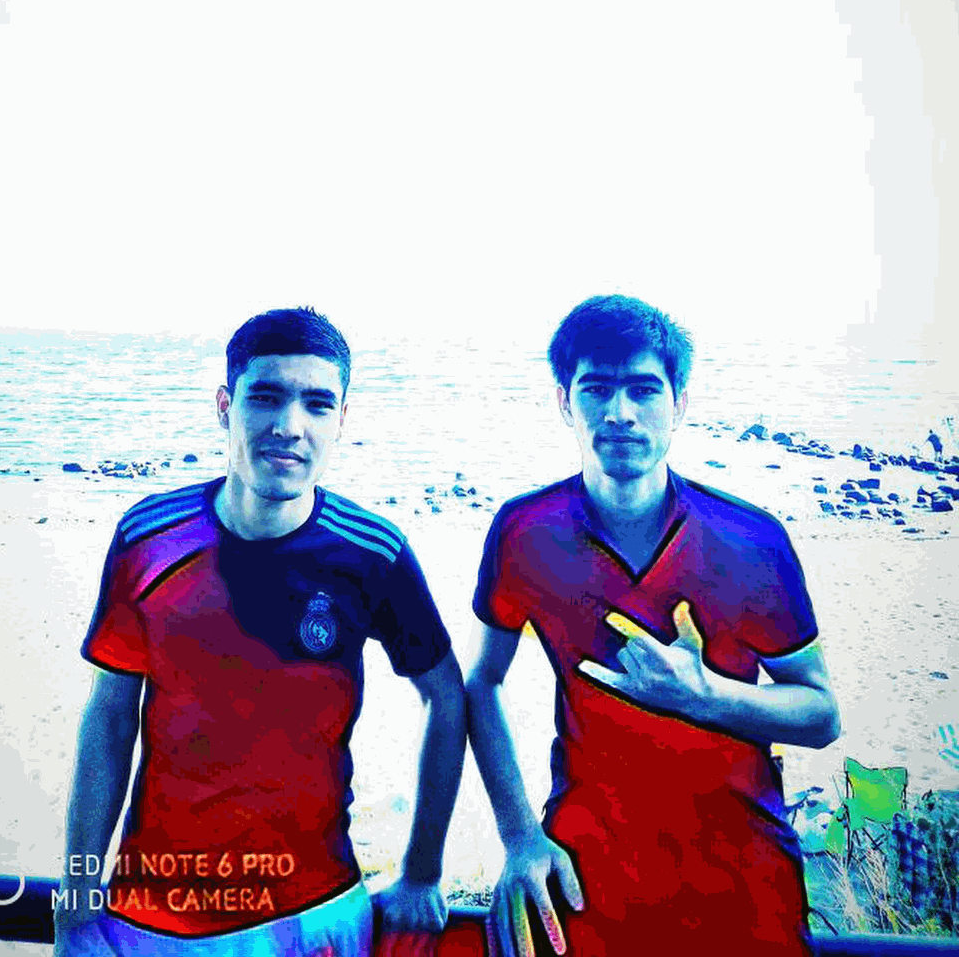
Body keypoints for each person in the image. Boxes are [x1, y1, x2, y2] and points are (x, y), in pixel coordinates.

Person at [54, 307, 466, 957]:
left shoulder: (373, 553)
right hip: (150, 919)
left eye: (317, 404)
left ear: (342, 420)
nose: (289, 426)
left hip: (314, 917)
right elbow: (109, 718)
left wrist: (423, 869)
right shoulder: (148, 539)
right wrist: (76, 893)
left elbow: (447, 697)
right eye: (266, 397)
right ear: (226, 406)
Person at [466, 295, 841, 957]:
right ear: (565, 403)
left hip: (743, 870)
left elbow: (820, 713)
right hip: (588, 870)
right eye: (596, 389)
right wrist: (520, 836)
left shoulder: (751, 541)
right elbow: (482, 682)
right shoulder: (526, 532)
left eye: (643, 389)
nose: (620, 412)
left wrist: (705, 696)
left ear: (679, 403)